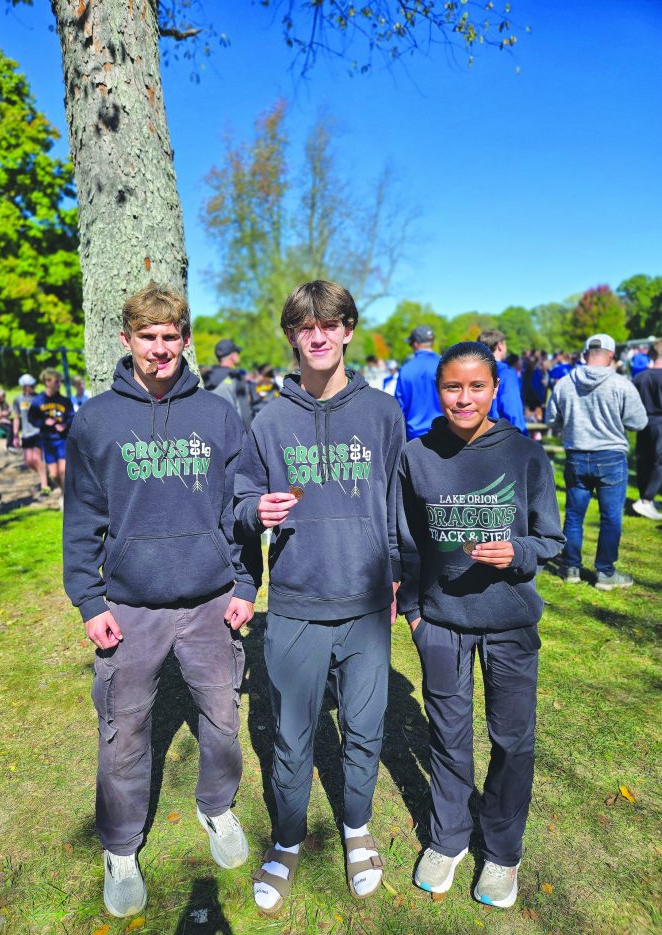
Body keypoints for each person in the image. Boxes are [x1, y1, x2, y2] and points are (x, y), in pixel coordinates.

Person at [63, 283, 259, 919]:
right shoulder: (97, 419)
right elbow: (82, 518)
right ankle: (120, 847)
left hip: (209, 602)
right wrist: (90, 600)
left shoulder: (217, 414)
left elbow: (238, 509)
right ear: (127, 340)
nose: (159, 349)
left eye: (171, 337)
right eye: (147, 337)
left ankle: (217, 807)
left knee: (223, 720)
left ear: (185, 340)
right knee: (124, 732)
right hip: (132, 607)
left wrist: (246, 585)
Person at [234, 280, 405, 913]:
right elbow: (240, 498)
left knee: (363, 729)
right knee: (292, 735)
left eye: (330, 324)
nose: (319, 335)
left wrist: (395, 579)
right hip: (298, 603)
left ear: (348, 330)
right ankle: (286, 840)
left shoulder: (383, 414)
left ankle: (357, 828)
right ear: (291, 336)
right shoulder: (270, 418)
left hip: (364, 603)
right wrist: (257, 508)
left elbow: (395, 503)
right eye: (306, 327)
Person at [397, 341, 564, 909]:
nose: (463, 398)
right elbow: (407, 544)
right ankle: (448, 839)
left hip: (510, 623)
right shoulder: (416, 456)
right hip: (441, 623)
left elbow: (551, 539)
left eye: (476, 386)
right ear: (437, 390)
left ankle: (501, 851)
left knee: (512, 741)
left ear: (495, 390)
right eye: (452, 387)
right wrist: (416, 614)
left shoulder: (524, 454)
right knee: (446, 735)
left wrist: (516, 551)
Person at [545, 333, 647, 590]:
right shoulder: (621, 384)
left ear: (585, 353)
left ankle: (570, 567)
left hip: (576, 454)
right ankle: (605, 572)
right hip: (610, 456)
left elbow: (552, 422)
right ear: (611, 356)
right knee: (611, 517)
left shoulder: (565, 383)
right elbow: (639, 422)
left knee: (574, 515)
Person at [28, 369, 74, 497]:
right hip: (48, 441)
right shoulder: (38, 401)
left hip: (62, 439)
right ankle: (62, 490)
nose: (60, 384)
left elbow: (72, 416)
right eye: (57, 381)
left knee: (63, 470)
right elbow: (31, 418)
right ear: (48, 382)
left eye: (60, 381)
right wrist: (43, 421)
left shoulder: (64, 400)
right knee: (54, 474)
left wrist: (64, 424)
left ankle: (66, 498)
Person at [633, 340, 662, 519]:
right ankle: (645, 500)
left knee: (643, 460)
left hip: (643, 421)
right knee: (661, 462)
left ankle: (646, 499)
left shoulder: (640, 377)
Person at [395, 325, 442, 440]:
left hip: (414, 435)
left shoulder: (406, 369)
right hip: (444, 431)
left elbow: (399, 407)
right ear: (432, 342)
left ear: (415, 344)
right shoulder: (445, 365)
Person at [477, 330, 527, 433]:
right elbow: (512, 411)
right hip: (501, 436)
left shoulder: (472, 371)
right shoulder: (506, 374)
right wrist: (521, 436)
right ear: (500, 346)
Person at [12, 374, 49, 494]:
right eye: (30, 385)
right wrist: (15, 435)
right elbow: (16, 418)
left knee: (37, 459)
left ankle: (44, 486)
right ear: (24, 386)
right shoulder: (18, 400)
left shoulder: (39, 398)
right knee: (29, 461)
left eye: (34, 384)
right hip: (26, 434)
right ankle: (44, 475)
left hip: (38, 432)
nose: (33, 386)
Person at [204, 339, 253, 427]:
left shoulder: (205, 376)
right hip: (232, 432)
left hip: (210, 430)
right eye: (237, 352)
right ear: (232, 356)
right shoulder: (237, 377)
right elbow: (244, 413)